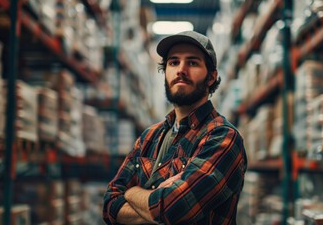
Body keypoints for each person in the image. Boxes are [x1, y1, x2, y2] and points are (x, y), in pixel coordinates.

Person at [102, 30, 247, 225]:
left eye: (192, 62)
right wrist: (157, 201)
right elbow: (109, 205)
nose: (181, 69)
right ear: (165, 72)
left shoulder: (223, 137)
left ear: (212, 77)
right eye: (173, 62)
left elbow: (174, 209)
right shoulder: (149, 137)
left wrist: (131, 192)